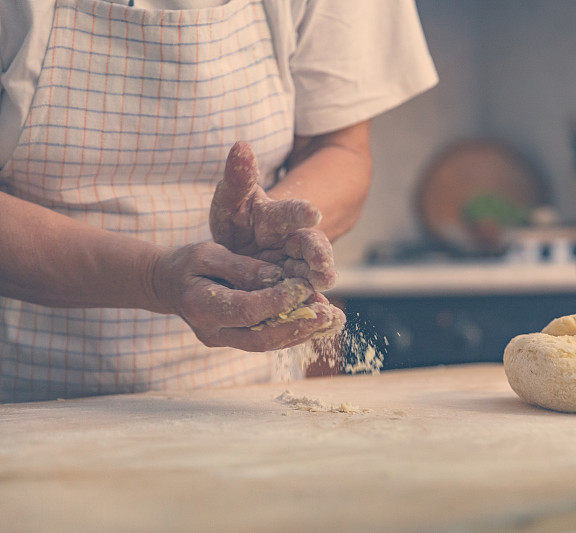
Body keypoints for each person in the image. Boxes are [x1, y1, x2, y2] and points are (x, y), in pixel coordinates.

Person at [0, 0, 437, 402]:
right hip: (23, 393)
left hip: (242, 399)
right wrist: (154, 278)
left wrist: (272, 220)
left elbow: (341, 148)